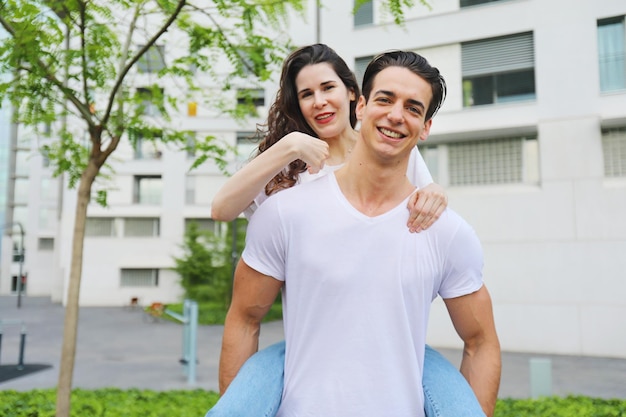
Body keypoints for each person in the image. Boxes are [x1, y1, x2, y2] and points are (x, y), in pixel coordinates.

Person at [213, 50, 501, 417]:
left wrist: (439, 197)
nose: (396, 115)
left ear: (351, 97)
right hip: (307, 340)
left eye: (413, 109)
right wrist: (286, 148)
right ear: (364, 105)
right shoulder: (289, 192)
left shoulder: (431, 209)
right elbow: (222, 213)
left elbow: (481, 341)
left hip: (397, 350)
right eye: (306, 94)